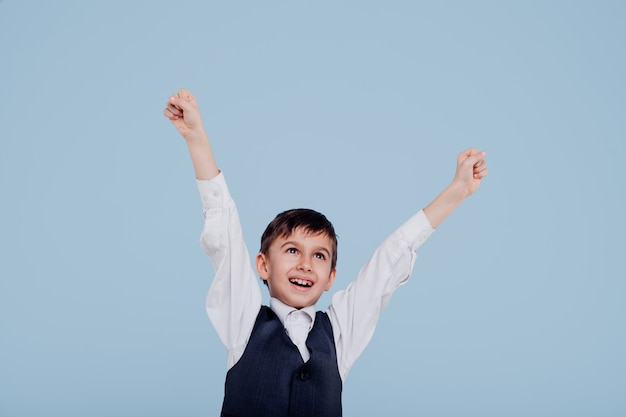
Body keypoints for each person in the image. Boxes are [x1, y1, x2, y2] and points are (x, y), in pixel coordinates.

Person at [163, 88, 488, 417]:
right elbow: (225, 233)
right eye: (292, 250)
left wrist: (456, 191)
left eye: (319, 256)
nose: (305, 264)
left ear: (331, 276)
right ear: (262, 264)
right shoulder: (244, 322)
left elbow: (390, 259)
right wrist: (197, 139)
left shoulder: (339, 332)